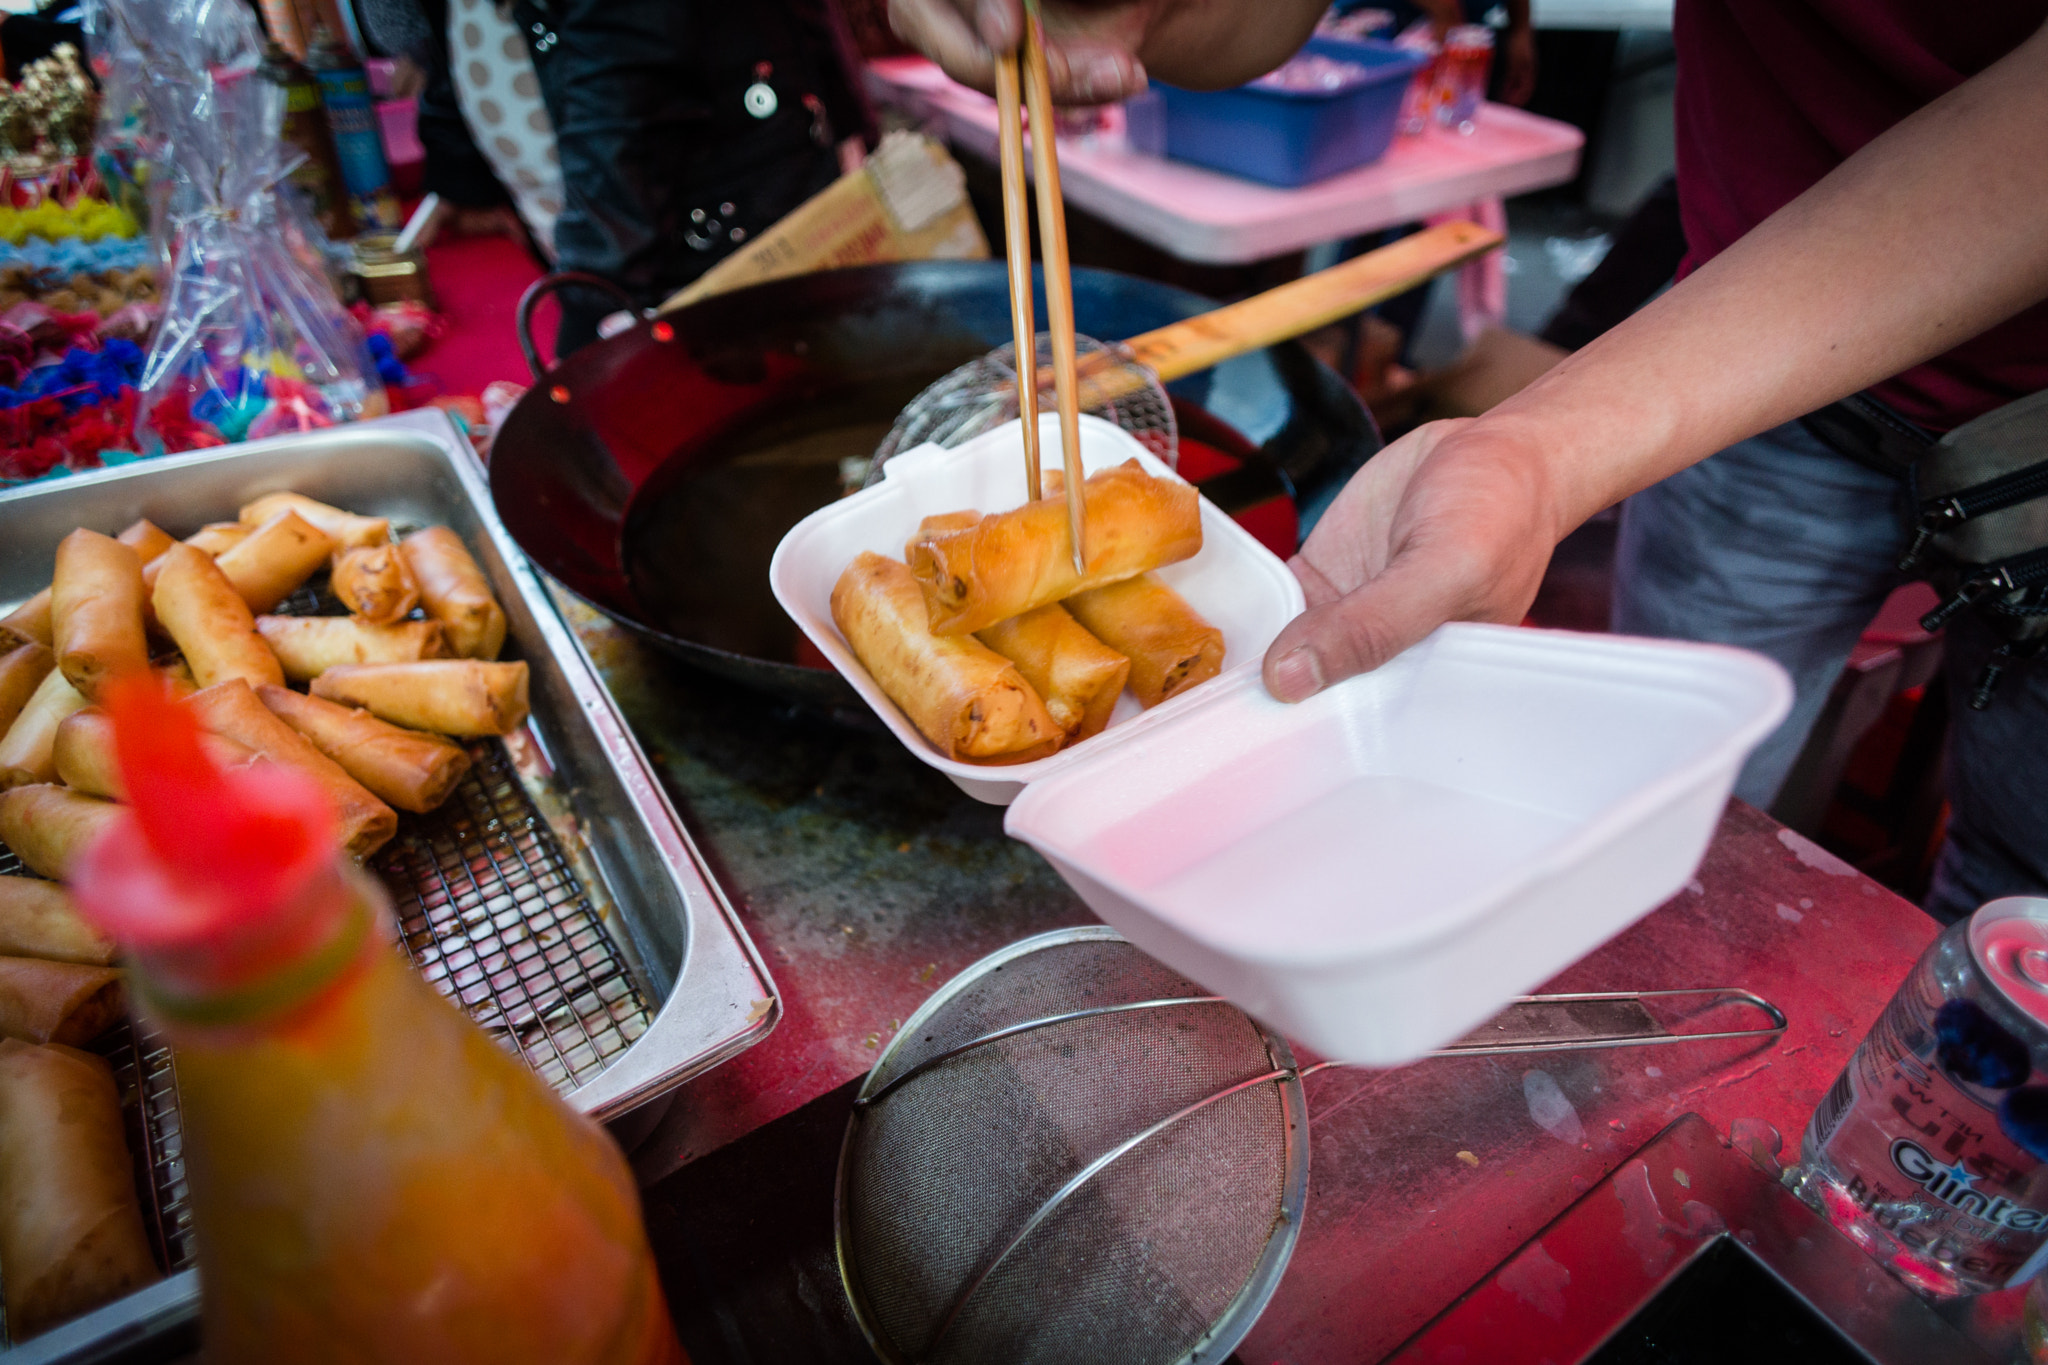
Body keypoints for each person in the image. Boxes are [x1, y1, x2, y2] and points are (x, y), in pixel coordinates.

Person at [886, 0, 2048, 922]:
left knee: (2018, 893)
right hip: (1743, 358)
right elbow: (1252, 25)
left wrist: (1538, 453)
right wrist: (1121, 12)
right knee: (1652, 809)